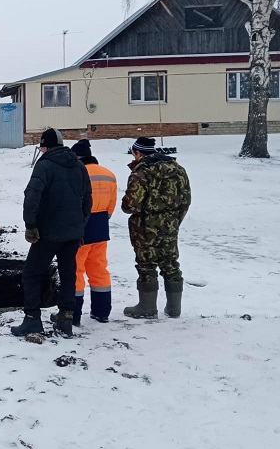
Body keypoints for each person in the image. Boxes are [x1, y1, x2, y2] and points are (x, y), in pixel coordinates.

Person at [11, 128, 92, 338]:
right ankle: (65, 318)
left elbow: (32, 196)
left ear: (45, 146)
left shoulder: (44, 165)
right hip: (73, 233)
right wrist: (80, 225)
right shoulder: (78, 165)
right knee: (67, 275)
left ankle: (32, 320)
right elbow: (88, 198)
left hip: (48, 233)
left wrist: (31, 226)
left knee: (31, 274)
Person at [121, 137, 191, 319]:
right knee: (171, 263)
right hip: (170, 226)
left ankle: (147, 307)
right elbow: (186, 200)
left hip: (144, 228)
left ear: (138, 153)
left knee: (146, 265)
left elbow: (131, 205)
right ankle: (174, 308)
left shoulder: (140, 173)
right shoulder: (178, 170)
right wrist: (174, 221)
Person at [60, 138, 117, 325]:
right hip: (101, 226)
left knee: (75, 270)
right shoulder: (108, 174)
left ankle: (73, 314)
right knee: (99, 268)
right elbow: (111, 205)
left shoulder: (78, 173)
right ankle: (102, 312)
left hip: (80, 226)